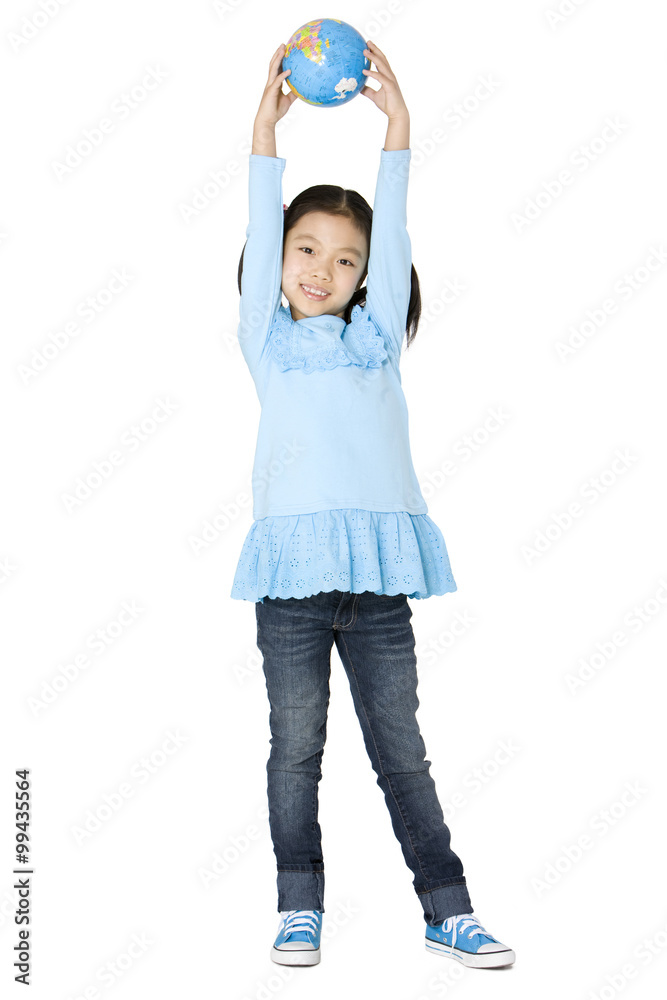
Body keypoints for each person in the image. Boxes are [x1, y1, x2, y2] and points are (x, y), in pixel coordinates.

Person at [231, 40, 515, 971]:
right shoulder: (268, 342)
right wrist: (265, 138)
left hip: (378, 589)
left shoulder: (376, 344)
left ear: (365, 281)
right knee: (293, 754)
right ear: (274, 260)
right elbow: (266, 228)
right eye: (304, 249)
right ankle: (297, 905)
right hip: (293, 591)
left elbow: (390, 236)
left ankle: (447, 907)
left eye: (344, 261)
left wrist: (396, 132)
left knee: (403, 753)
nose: (323, 267)